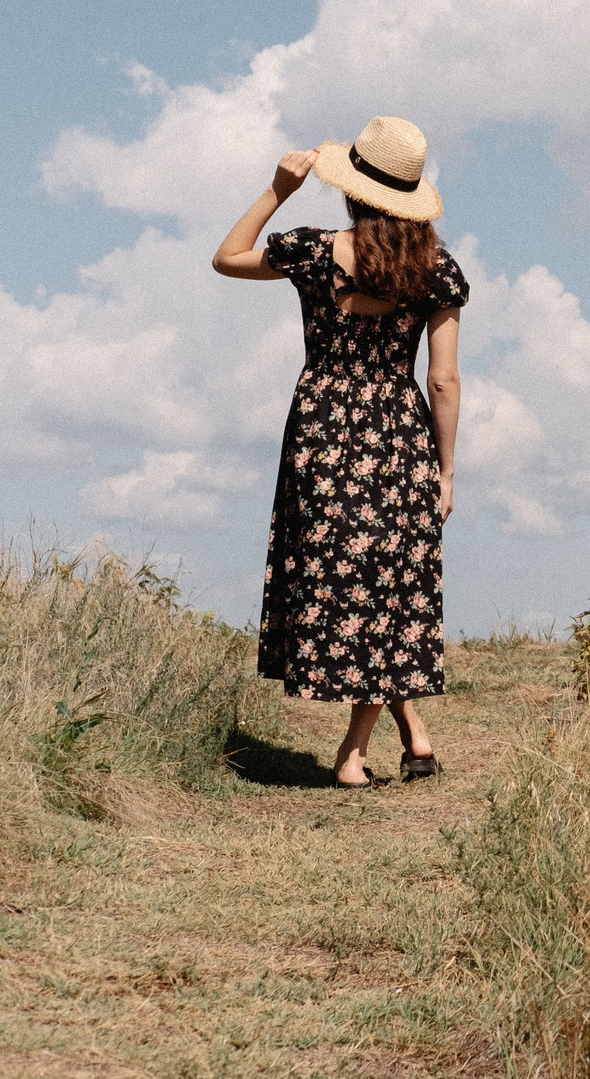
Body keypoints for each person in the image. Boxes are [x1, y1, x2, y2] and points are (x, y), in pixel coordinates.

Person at [213, 115, 469, 787]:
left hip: (323, 429)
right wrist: (445, 468)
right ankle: (373, 746)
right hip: (398, 431)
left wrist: (277, 190)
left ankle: (384, 742)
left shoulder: (311, 250)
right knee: (391, 584)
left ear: (352, 188)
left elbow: (227, 256)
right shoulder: (437, 270)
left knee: (349, 583)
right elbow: (442, 378)